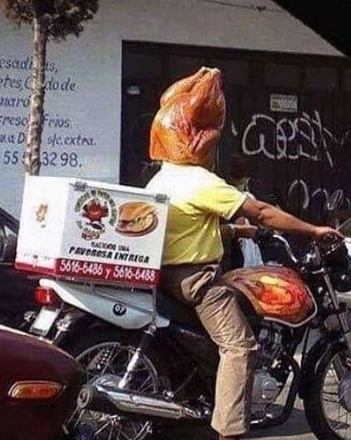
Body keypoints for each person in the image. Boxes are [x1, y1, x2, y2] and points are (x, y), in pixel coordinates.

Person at [145, 66, 342, 440]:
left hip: (171, 274)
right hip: (196, 281)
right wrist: (314, 229)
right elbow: (263, 211)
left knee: (240, 292)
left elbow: (189, 227)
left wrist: (238, 231)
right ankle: (231, 432)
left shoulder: (164, 176)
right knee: (241, 347)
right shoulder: (200, 181)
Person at [226, 154, 264, 269]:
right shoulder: (231, 197)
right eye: (241, 183)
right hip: (235, 255)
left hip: (246, 252)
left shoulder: (247, 197)